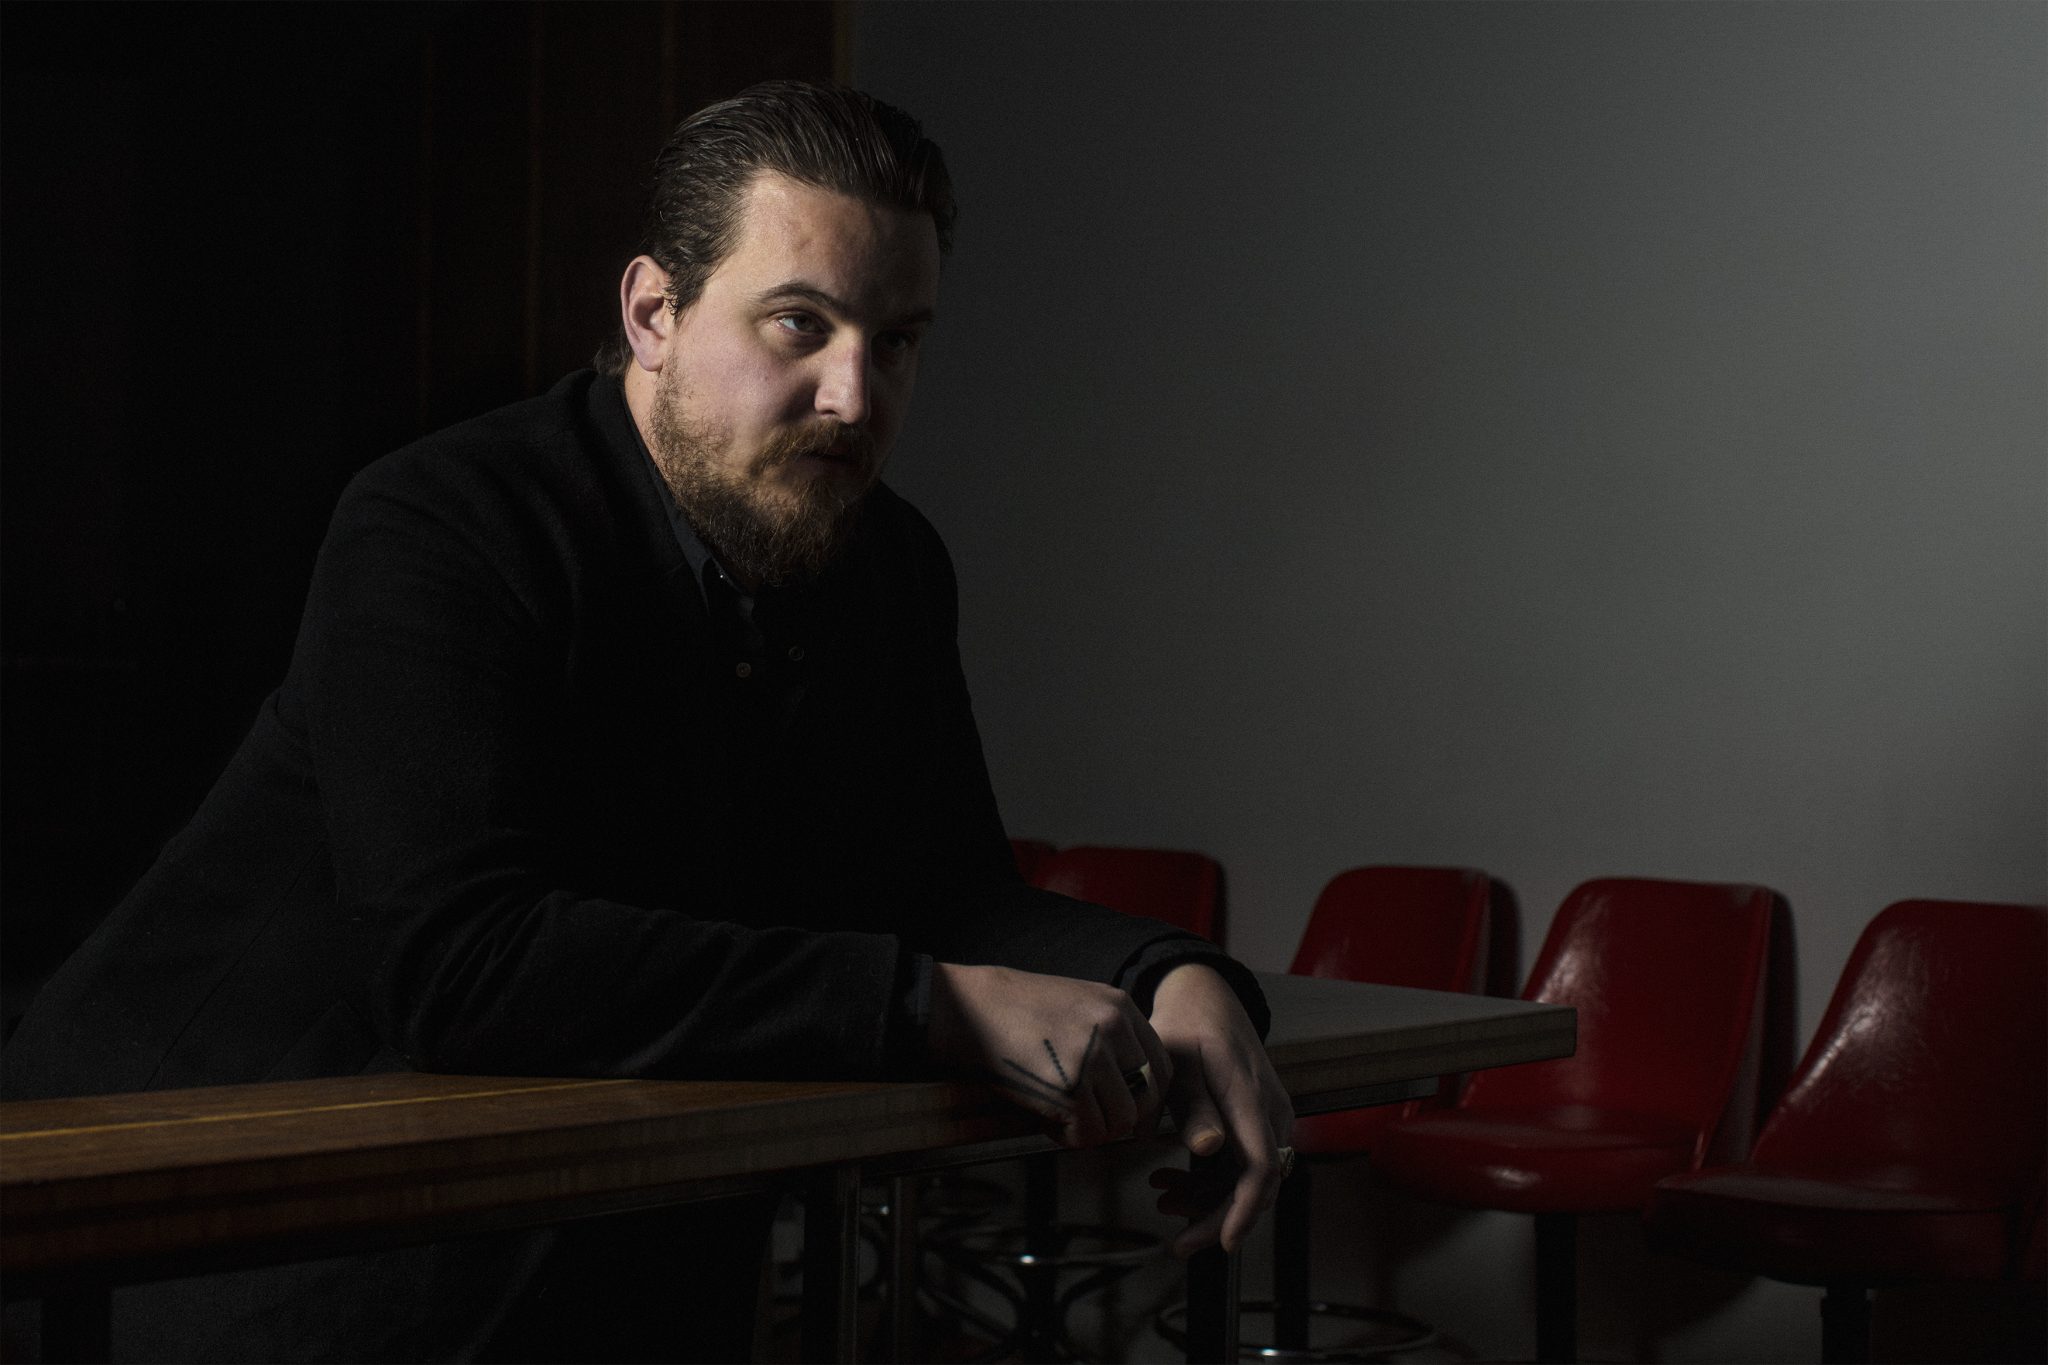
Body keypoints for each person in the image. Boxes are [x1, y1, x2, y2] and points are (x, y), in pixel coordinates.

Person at [2, 81, 1291, 1361]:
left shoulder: (888, 562)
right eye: (800, 324)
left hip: (589, 1199)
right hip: (203, 1212)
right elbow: (462, 965)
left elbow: (942, 887)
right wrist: (928, 1006)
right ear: (652, 314)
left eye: (897, 340)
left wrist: (1167, 974)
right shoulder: (439, 522)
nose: (855, 396)